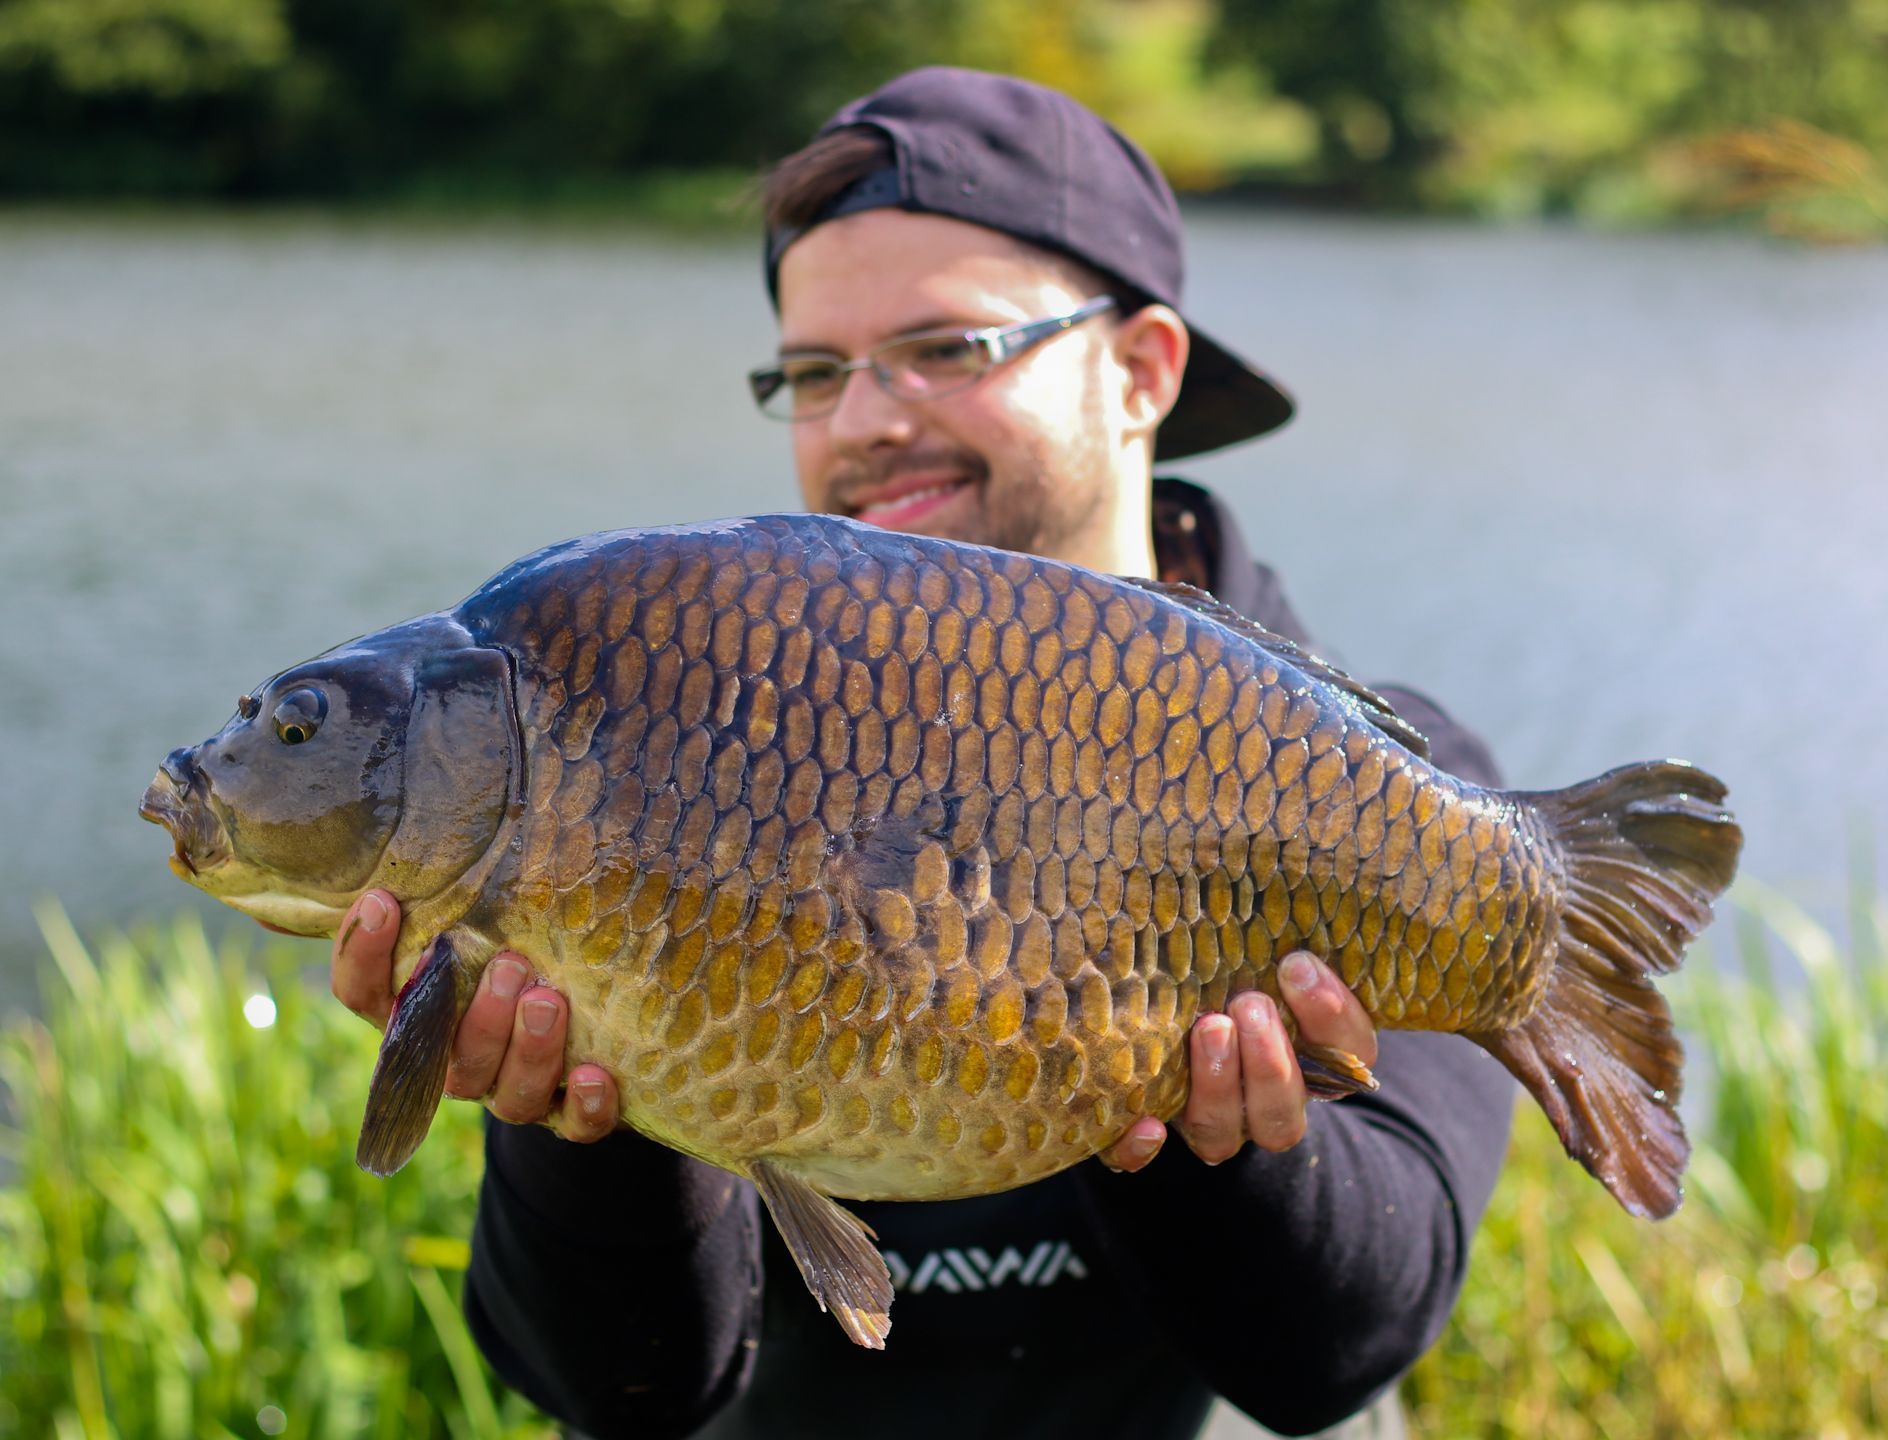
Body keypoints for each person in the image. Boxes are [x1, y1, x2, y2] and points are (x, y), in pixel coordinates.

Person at [330, 68, 1514, 1440]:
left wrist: (1167, 1101)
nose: (867, 419)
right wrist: (579, 1108)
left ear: (1141, 371)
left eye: (947, 348)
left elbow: (1335, 1356)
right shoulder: (703, 757)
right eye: (816, 374)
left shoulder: (1400, 800)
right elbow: (623, 1394)